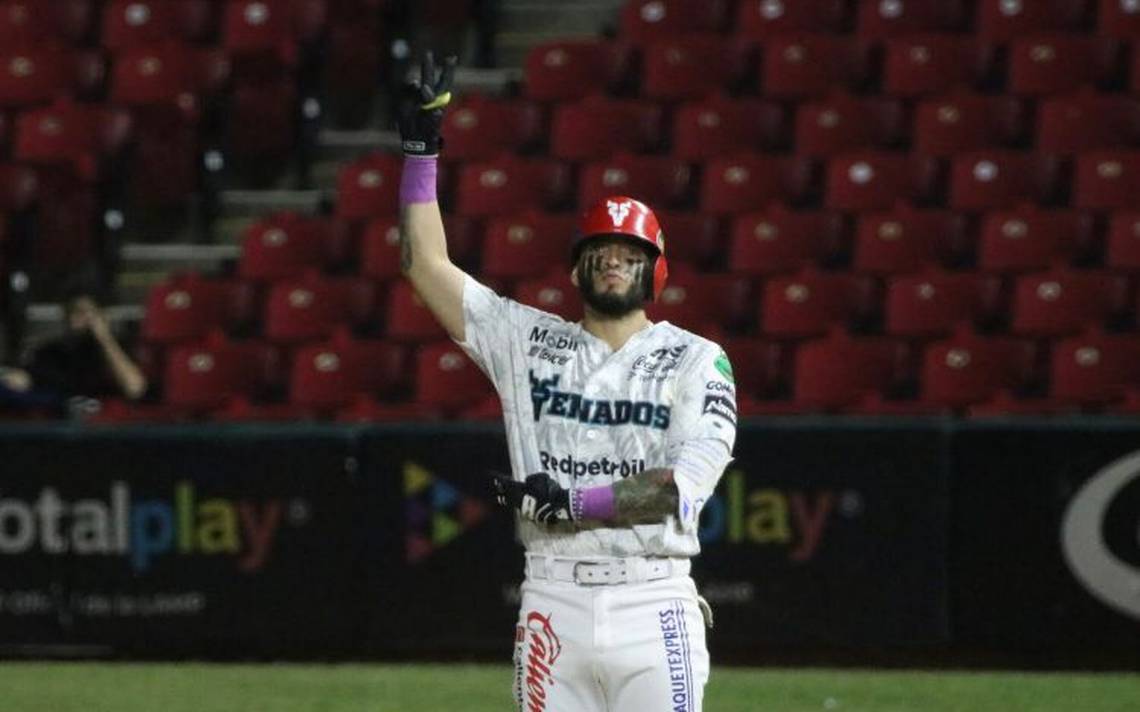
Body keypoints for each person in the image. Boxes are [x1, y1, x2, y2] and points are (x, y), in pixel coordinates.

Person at [396, 53, 738, 710]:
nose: (614, 258)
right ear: (577, 270)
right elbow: (424, 264)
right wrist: (420, 152)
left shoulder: (699, 359)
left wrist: (573, 504)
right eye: (599, 249)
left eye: (630, 251)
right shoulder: (525, 339)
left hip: (653, 599)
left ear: (655, 270)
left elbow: (679, 490)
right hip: (552, 595)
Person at [7, 291, 148, 417]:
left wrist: (105, 338)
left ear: (102, 316)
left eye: (89, 312)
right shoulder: (52, 352)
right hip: (64, 428)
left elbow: (134, 388)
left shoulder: (120, 348)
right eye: (75, 312)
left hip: (110, 429)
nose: (83, 318)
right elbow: (23, 379)